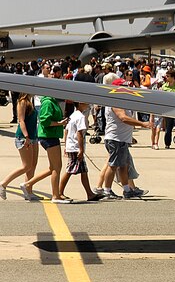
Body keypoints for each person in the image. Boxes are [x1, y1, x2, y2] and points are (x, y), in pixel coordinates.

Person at [23, 69, 70, 203]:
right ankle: (55, 195)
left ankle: (28, 184)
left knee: (53, 167)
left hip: (51, 135)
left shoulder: (51, 101)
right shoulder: (48, 102)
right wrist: (60, 123)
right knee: (57, 167)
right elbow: (44, 120)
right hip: (48, 136)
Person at [97, 106, 151, 200]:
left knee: (123, 166)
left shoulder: (121, 103)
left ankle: (127, 190)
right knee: (113, 165)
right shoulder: (115, 102)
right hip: (115, 139)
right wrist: (142, 124)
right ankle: (107, 191)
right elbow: (123, 118)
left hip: (121, 139)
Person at [58, 102, 101, 201]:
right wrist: (81, 149)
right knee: (69, 170)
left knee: (84, 171)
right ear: (80, 104)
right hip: (75, 147)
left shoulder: (73, 115)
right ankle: (59, 192)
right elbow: (79, 134)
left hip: (71, 146)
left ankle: (89, 194)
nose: (87, 104)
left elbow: (66, 131)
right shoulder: (80, 117)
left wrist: (66, 145)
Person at [1, 93, 40, 200]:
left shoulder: (31, 102)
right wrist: (26, 136)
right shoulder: (22, 102)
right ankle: (3, 184)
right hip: (23, 137)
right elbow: (21, 120)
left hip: (33, 137)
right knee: (26, 166)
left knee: (33, 165)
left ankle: (28, 190)